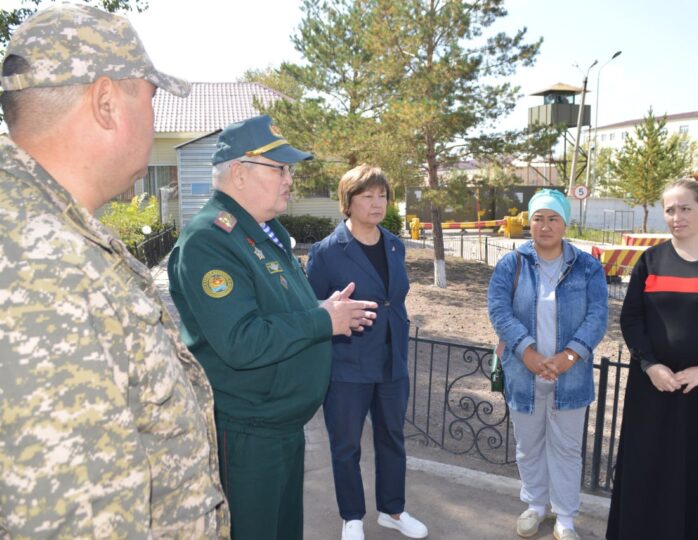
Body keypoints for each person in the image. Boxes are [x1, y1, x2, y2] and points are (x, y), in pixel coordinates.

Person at [0, 5, 229, 538]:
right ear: (106, 102)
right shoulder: (45, 269)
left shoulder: (48, 231)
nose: (156, 122)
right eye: (149, 98)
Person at [167, 116, 379, 540]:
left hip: (280, 426)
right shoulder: (210, 240)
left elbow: (279, 307)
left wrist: (321, 307)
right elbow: (241, 341)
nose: (289, 179)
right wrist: (323, 320)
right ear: (240, 173)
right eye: (279, 168)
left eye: (289, 169)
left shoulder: (266, 232)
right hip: (248, 431)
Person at [306, 165, 428, 540]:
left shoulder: (394, 244)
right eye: (367, 196)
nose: (377, 204)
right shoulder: (327, 252)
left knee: (392, 437)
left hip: (391, 361)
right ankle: (352, 517)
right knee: (346, 445)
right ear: (348, 201)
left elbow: (394, 299)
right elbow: (314, 309)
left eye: (382, 196)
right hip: (347, 362)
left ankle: (392, 510)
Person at [488, 189, 608, 540]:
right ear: (529, 221)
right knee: (528, 445)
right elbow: (499, 309)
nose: (544, 225)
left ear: (565, 222)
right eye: (538, 217)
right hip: (524, 375)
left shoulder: (587, 266)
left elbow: (597, 315)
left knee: (567, 449)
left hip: (570, 377)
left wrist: (570, 355)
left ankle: (565, 518)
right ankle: (536, 506)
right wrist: (528, 353)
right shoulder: (512, 263)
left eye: (553, 218)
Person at [606, 177, 698, 540]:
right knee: (648, 467)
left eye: (685, 208)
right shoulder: (650, 260)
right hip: (652, 388)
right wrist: (649, 364)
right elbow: (632, 318)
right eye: (669, 209)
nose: (676, 217)